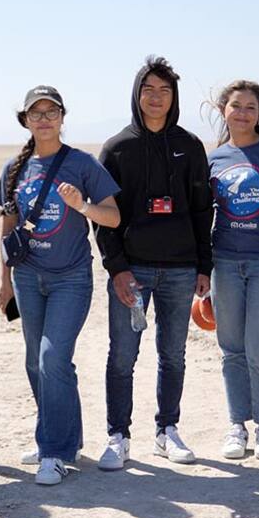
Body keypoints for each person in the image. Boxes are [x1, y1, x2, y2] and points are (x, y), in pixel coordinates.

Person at [0, 85, 121, 486]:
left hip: (71, 277)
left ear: (62, 118)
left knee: (53, 358)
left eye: (52, 112)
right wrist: (4, 281)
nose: (44, 119)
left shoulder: (82, 164)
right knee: (37, 361)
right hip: (27, 276)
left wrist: (81, 206)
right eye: (36, 113)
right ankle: (59, 434)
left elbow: (114, 218)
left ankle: (55, 452)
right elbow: (8, 225)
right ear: (26, 120)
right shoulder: (15, 169)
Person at [94, 57, 213, 471]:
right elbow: (104, 216)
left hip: (181, 270)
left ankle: (167, 430)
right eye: (149, 90)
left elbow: (203, 210)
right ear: (137, 95)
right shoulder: (117, 148)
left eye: (164, 90)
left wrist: (204, 266)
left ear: (174, 97)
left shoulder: (191, 146)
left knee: (173, 355)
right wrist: (117, 268)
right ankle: (118, 436)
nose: (156, 97)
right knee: (122, 356)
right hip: (133, 270)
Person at [208, 80, 259, 460]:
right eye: (236, 105)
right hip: (225, 261)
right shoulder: (215, 158)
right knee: (231, 349)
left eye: (250, 107)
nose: (242, 113)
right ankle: (237, 425)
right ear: (224, 110)